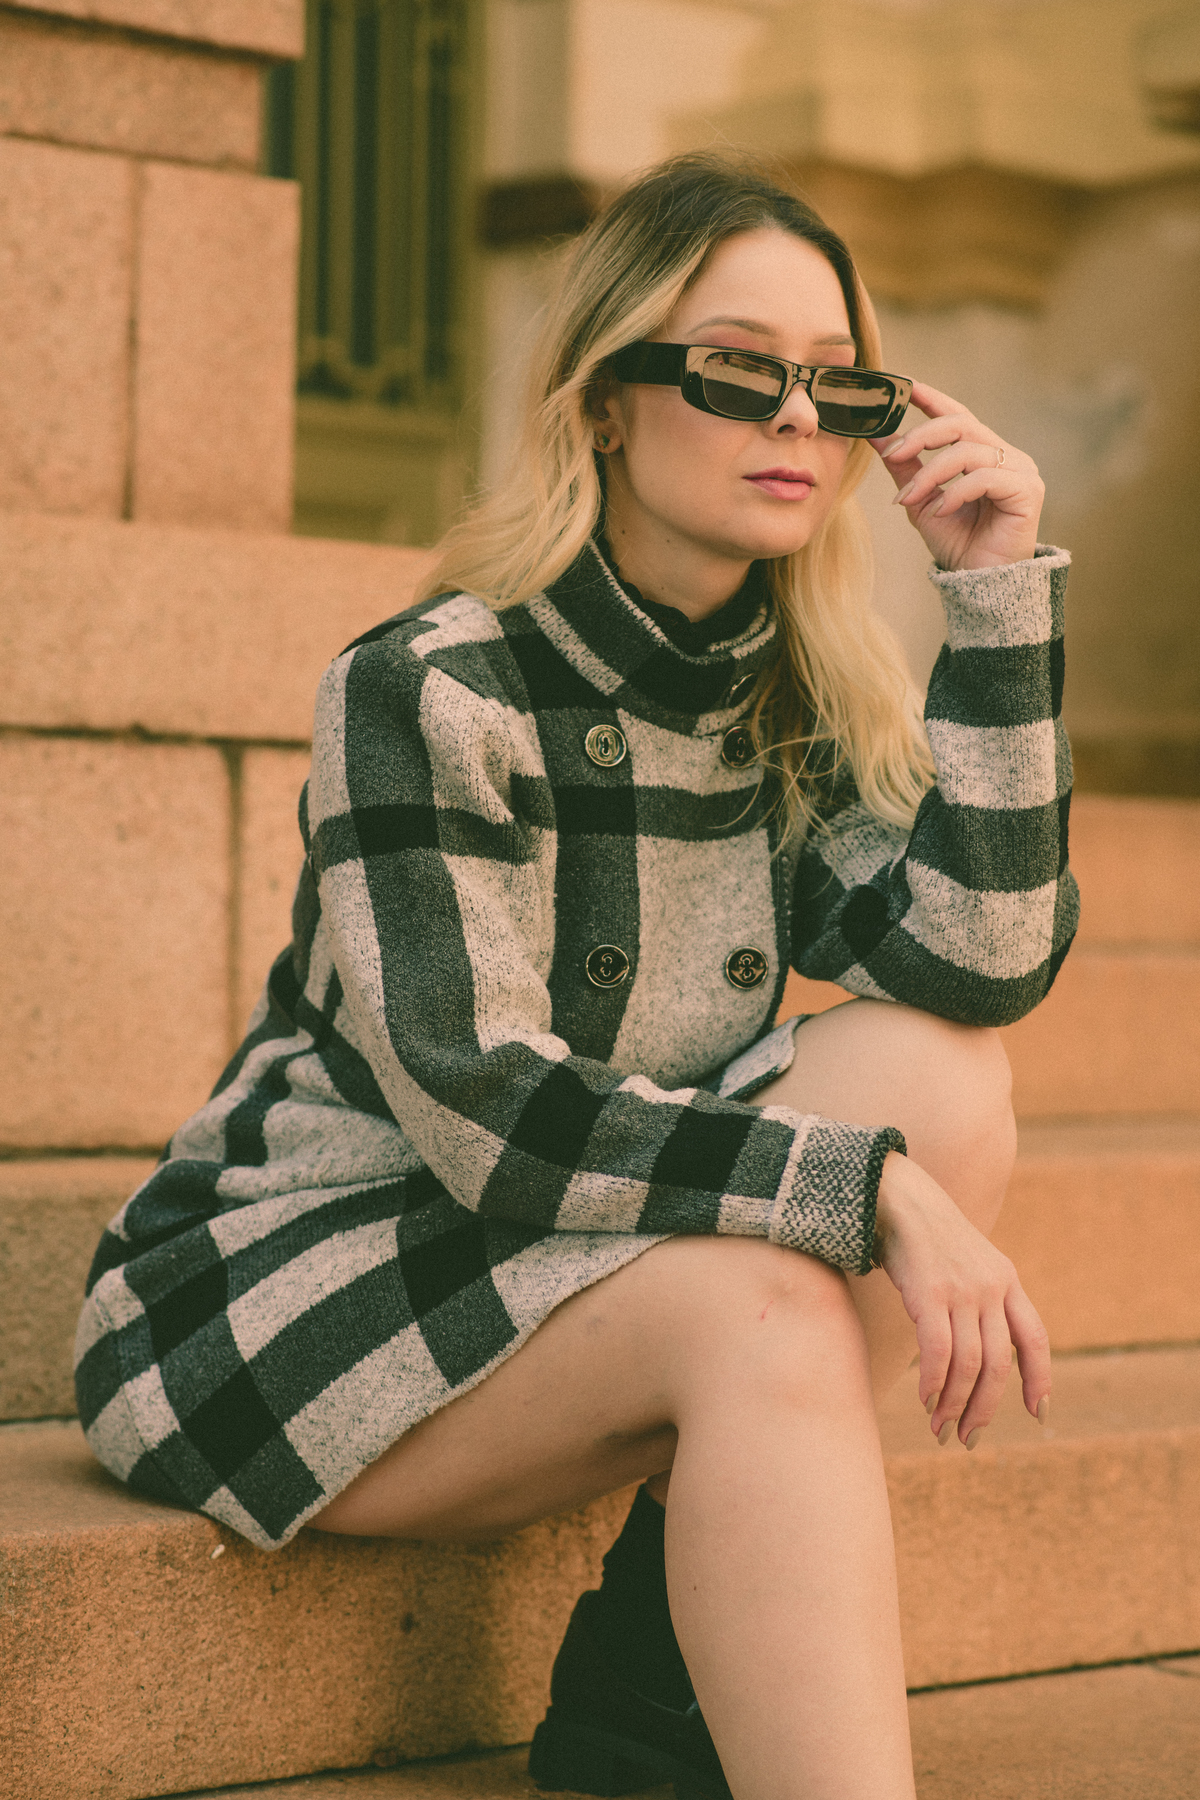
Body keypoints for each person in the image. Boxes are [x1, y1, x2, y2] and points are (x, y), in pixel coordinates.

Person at [76, 154, 1076, 1800]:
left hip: (577, 1257)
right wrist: (867, 1190)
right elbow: (489, 1116)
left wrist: (993, 599)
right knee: (771, 1298)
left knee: (946, 1070)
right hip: (307, 1275)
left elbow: (985, 960)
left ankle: (652, 1676)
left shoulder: (797, 695)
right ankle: (676, 1689)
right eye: (737, 368)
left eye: (840, 385)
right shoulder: (431, 685)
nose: (797, 417)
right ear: (605, 400)